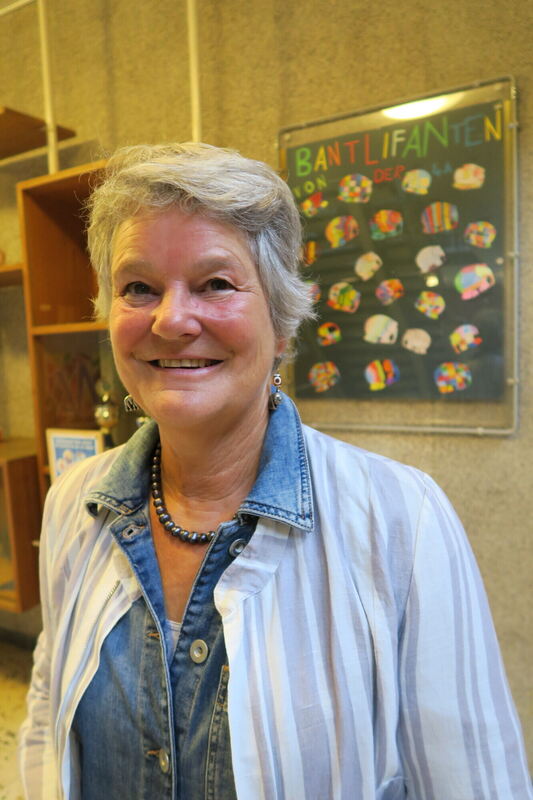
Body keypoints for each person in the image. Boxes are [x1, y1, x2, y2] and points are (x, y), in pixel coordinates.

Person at [19, 142, 531, 800]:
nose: (171, 320)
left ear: (282, 322)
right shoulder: (74, 503)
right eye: (138, 287)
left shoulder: (403, 522)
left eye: (216, 284)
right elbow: (45, 717)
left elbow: (472, 782)